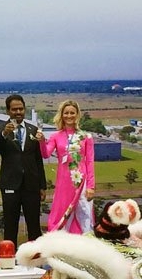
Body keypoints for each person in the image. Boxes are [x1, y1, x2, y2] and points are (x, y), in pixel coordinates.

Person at [0, 94, 46, 247]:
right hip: (10, 184)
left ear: (24, 109)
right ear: (8, 111)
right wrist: (4, 134)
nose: (18, 112)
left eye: (21, 109)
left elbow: (38, 159)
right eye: (14, 109)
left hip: (31, 185)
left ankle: (35, 259)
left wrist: (42, 185)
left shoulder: (33, 130)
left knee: (34, 226)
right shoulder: (0, 129)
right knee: (10, 226)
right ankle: (10, 259)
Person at [40, 99, 95, 234]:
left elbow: (90, 162)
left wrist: (91, 186)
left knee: (84, 212)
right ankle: (60, 240)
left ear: (77, 114)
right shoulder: (55, 136)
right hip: (64, 183)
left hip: (81, 183)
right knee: (61, 212)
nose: (69, 116)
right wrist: (41, 141)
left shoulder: (86, 137)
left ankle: (85, 239)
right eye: (66, 113)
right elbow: (46, 154)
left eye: (72, 113)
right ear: (61, 115)